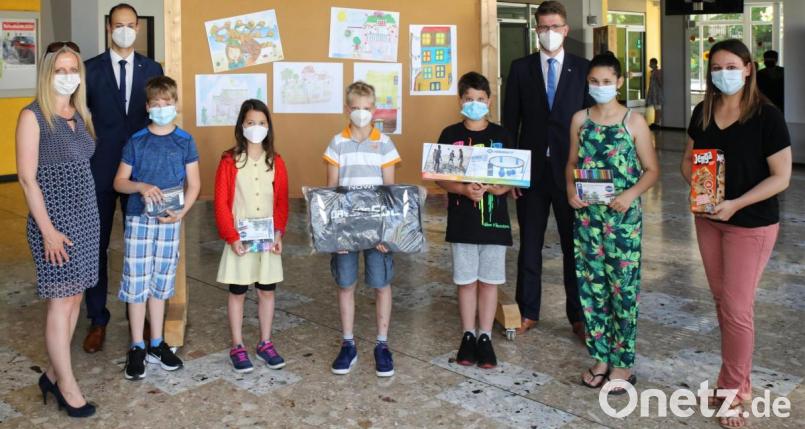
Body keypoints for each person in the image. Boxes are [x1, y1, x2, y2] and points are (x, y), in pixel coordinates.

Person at [681, 39, 791, 429]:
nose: (723, 73)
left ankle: (733, 392)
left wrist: (736, 203)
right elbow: (689, 160)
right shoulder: (703, 111)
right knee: (722, 302)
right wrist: (701, 187)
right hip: (709, 219)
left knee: (737, 308)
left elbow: (782, 177)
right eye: (717, 67)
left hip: (752, 223)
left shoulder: (766, 116)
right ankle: (735, 380)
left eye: (732, 66)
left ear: (748, 69)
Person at [565, 53, 659, 394]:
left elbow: (652, 171)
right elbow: (572, 162)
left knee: (623, 291)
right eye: (594, 81)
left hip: (622, 222)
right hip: (588, 219)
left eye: (606, 81)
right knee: (592, 291)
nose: (600, 87)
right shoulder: (580, 119)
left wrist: (630, 195)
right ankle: (600, 357)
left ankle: (622, 364)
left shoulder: (633, 122)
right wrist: (570, 189)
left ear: (619, 83)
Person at [502, 0, 593, 339]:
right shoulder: (521, 68)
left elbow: (592, 126)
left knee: (575, 247)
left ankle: (579, 316)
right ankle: (527, 311)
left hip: (571, 177)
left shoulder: (583, 70)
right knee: (530, 245)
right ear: (536, 30)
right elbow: (511, 123)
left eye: (555, 27)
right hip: (532, 174)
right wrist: (510, 175)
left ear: (566, 29)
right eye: (543, 27)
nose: (550, 33)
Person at [16, 41, 98, 417]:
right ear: (48, 74)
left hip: (85, 219)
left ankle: (51, 373)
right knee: (60, 301)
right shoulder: (33, 116)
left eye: (73, 70)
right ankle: (67, 386)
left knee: (76, 299)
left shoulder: (79, 114)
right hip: (54, 223)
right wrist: (47, 230)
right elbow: (27, 179)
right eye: (60, 71)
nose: (68, 77)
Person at [83, 2, 164, 353]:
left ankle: (145, 317)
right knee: (96, 247)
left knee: (142, 247)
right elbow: (81, 119)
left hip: (141, 175)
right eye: (119, 24)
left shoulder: (152, 67)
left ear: (138, 28)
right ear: (108, 28)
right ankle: (97, 319)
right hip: (99, 171)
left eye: (131, 24)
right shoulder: (89, 70)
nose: (125, 30)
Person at [113, 76, 201, 381]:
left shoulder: (185, 141)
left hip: (169, 223)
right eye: (157, 103)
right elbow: (119, 182)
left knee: (161, 283)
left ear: (175, 104)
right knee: (137, 283)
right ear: (148, 106)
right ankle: (136, 344)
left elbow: (195, 184)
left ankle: (156, 342)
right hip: (139, 221)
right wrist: (141, 185)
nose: (162, 108)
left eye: (168, 103)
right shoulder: (137, 141)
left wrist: (181, 213)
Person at [323, 81, 401, 377]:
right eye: (355, 108)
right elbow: (331, 190)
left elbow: (390, 191)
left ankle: (382, 343)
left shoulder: (384, 143)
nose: (360, 113)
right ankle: (348, 343)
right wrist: (334, 234)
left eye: (366, 108)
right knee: (345, 283)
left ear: (374, 109)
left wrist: (387, 232)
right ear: (347, 108)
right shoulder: (336, 143)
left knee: (381, 282)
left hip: (377, 230)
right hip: (345, 229)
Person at [436, 72, 513, 369]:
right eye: (469, 99)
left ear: (489, 101)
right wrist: (463, 189)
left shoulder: (502, 136)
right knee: (466, 281)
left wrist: (499, 187)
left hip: (495, 222)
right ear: (460, 101)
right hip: (462, 221)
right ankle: (468, 334)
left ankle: (485, 337)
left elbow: (513, 177)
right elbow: (440, 178)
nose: (475, 104)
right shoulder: (449, 135)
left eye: (480, 100)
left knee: (489, 281)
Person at [214, 99, 289, 373]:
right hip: (240, 242)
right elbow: (221, 203)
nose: (256, 128)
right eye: (250, 123)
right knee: (238, 292)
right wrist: (231, 236)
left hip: (268, 241)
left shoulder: (276, 162)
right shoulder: (229, 161)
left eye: (261, 123)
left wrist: (279, 232)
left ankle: (265, 342)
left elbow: (281, 201)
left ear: (268, 127)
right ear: (241, 126)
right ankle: (237, 345)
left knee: (267, 291)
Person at [645, 58, 663, 128]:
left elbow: (659, 81)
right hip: (654, 92)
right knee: (656, 107)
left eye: (651, 63)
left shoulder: (657, 72)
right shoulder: (653, 72)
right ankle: (656, 122)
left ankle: (657, 122)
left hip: (657, 92)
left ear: (654, 63)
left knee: (657, 107)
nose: (650, 64)